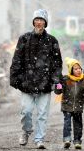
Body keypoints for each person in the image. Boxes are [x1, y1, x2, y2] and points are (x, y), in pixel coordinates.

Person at [10, 9, 63, 149]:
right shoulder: (24, 39)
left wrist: (56, 81)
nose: (39, 22)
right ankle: (26, 131)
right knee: (26, 111)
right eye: (37, 20)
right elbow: (17, 60)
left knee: (42, 115)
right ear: (33, 22)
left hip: (45, 85)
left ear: (45, 23)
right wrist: (15, 77)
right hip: (27, 84)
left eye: (42, 20)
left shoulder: (52, 41)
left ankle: (39, 139)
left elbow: (57, 63)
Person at [54, 57, 84, 150]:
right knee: (67, 123)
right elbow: (58, 91)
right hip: (67, 105)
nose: (78, 70)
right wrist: (58, 83)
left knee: (78, 124)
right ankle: (67, 139)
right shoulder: (65, 79)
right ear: (71, 70)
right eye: (75, 69)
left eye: (79, 68)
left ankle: (77, 141)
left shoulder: (83, 80)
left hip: (78, 106)